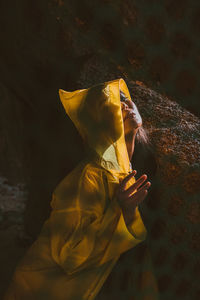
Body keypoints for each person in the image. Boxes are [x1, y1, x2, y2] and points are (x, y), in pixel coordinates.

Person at [4, 78, 154, 300]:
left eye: (123, 99)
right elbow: (71, 255)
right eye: (112, 106)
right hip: (36, 287)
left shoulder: (123, 170)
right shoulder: (89, 177)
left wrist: (124, 210)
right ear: (100, 125)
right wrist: (120, 209)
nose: (124, 106)